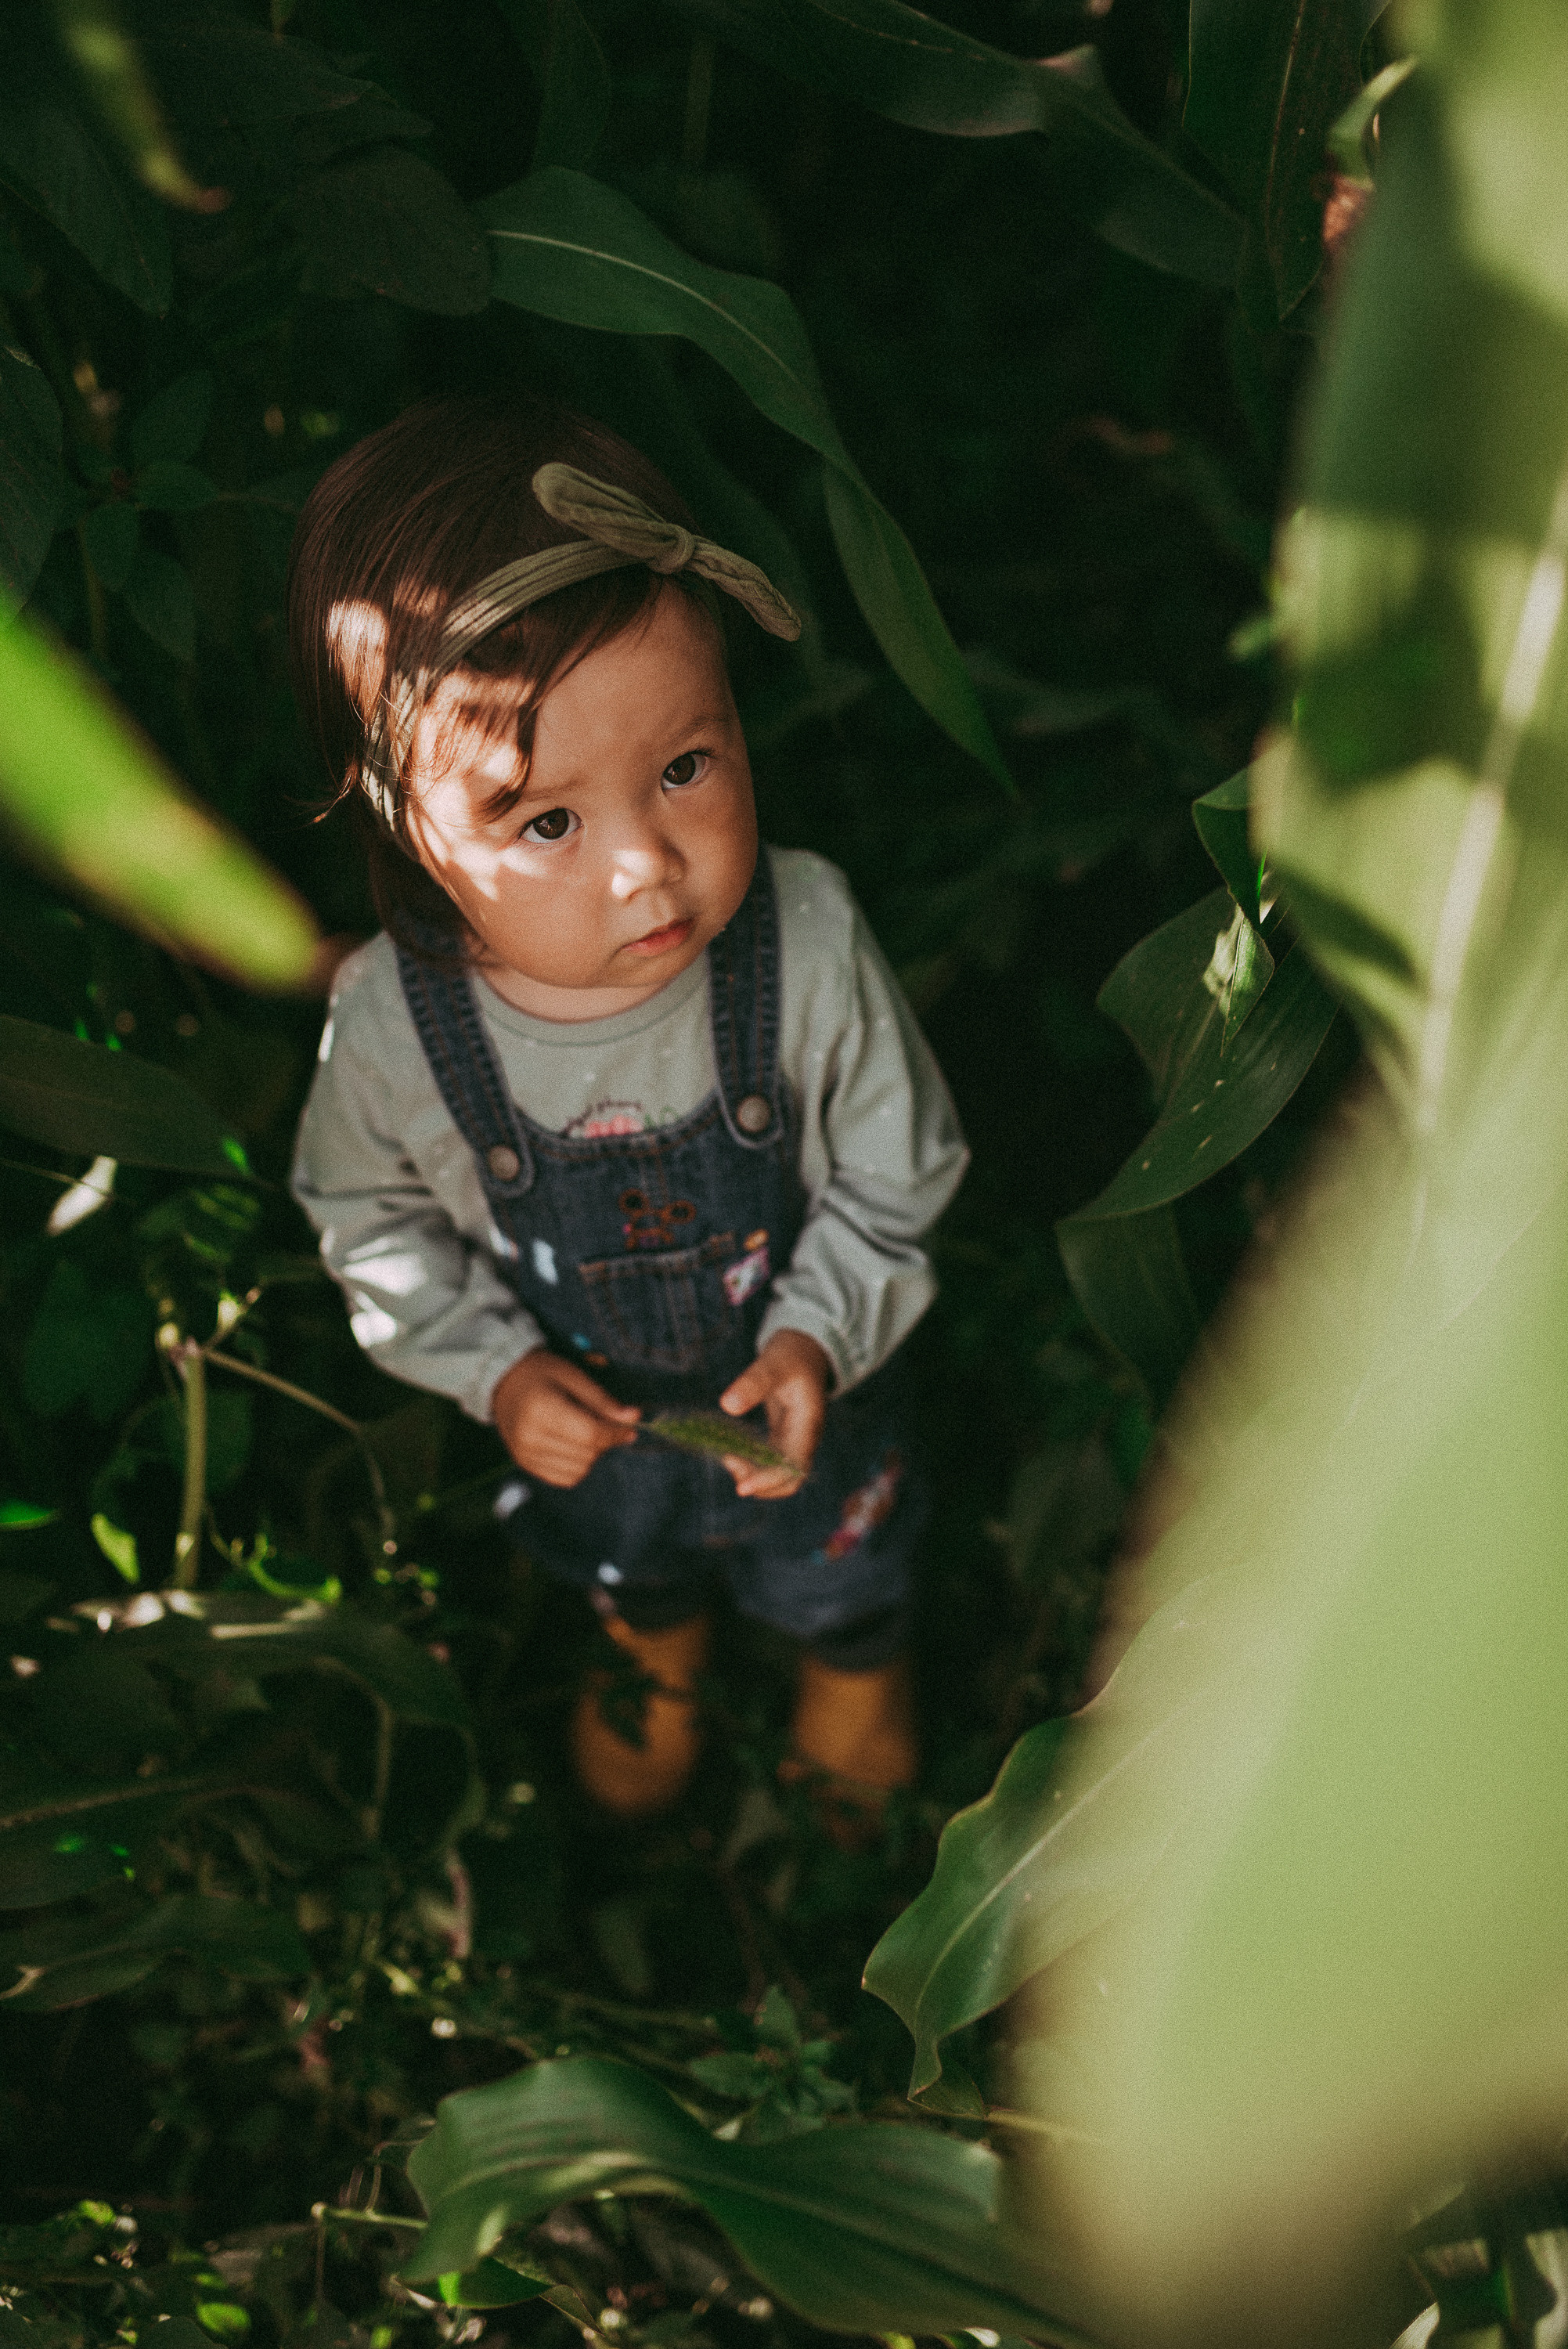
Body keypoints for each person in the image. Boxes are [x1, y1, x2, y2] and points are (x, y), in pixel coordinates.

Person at [287, 395, 968, 1828]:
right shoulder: (399, 1026)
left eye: (684, 768)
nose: (647, 864)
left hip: (805, 1394)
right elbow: (367, 1216)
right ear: (409, 830)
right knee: (627, 1561)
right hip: (593, 1428)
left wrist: (822, 1329)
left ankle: (853, 1658)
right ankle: (652, 1644)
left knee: (844, 1556)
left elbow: (897, 1172)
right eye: (550, 821)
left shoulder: (805, 943)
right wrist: (493, 1370)